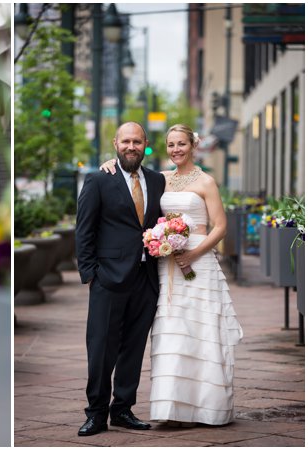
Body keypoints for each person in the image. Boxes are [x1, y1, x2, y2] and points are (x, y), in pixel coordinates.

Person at [98, 124, 243, 427]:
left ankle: (206, 407)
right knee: (171, 333)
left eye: (182, 144)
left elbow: (220, 227)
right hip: (166, 266)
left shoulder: (206, 182)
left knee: (200, 332)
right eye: (171, 145)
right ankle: (174, 408)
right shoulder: (160, 179)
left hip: (197, 265)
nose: (176, 150)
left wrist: (193, 253)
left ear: (193, 146)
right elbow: (131, 178)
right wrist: (110, 163)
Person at [75, 122, 166, 436]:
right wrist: (90, 275)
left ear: (145, 144)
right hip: (108, 279)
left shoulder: (157, 181)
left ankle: (123, 409)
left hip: (147, 277)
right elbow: (84, 230)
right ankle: (96, 414)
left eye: (137, 141)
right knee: (101, 348)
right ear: (115, 143)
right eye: (126, 141)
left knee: (133, 347)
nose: (131, 147)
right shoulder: (99, 180)